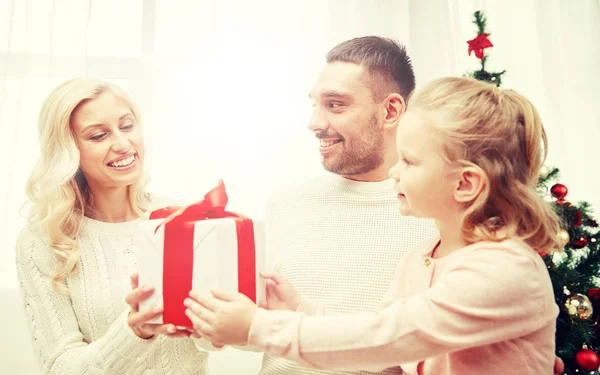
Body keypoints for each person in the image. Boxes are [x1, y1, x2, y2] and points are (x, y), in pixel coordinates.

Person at [186, 76, 562, 374]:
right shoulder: (421, 259)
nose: (395, 171)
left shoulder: (505, 270)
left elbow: (388, 338)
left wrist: (257, 326)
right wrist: (299, 311)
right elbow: (384, 347)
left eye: (410, 162)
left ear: (465, 184)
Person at [15, 77, 217, 374]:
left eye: (126, 126)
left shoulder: (183, 218)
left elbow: (219, 341)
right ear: (68, 151)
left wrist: (217, 322)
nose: (123, 144)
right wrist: (134, 331)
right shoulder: (43, 241)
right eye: (98, 136)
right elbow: (60, 367)